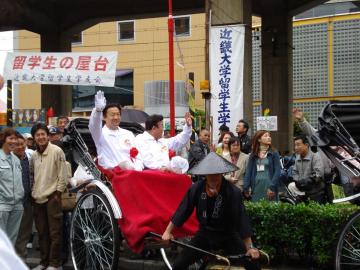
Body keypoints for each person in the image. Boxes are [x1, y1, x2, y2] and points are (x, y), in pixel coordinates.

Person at [162, 152, 261, 270]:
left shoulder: (233, 192)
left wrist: (250, 247)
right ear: (205, 174)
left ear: (221, 173)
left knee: (252, 261)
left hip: (228, 235)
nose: (213, 177)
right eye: (210, 174)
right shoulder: (197, 188)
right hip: (204, 234)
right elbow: (183, 210)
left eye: (217, 174)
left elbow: (242, 219)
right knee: (178, 265)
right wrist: (168, 232)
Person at [30, 123, 67, 270]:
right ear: (34, 138)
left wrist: (58, 193)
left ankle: (54, 263)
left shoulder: (57, 151)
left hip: (53, 197)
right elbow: (32, 175)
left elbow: (62, 174)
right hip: (37, 198)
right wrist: (33, 193)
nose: (40, 137)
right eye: (37, 135)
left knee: (55, 233)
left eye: (43, 134)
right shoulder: (33, 155)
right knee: (42, 233)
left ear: (47, 135)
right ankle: (43, 262)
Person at [89, 90, 142, 171]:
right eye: (112, 115)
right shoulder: (100, 134)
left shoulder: (128, 134)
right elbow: (94, 125)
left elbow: (138, 155)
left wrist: (137, 169)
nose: (116, 117)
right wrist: (98, 111)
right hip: (112, 173)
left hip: (132, 171)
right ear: (104, 117)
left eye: (118, 114)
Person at [0, 128, 24, 245]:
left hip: (17, 206)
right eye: (11, 138)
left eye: (15, 138)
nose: (14, 141)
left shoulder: (16, 159)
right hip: (2, 205)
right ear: (3, 140)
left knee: (11, 241)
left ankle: (7, 263)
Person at [244, 130, 281, 202]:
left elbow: (277, 171)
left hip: (269, 185)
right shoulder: (253, 154)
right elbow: (248, 171)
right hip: (256, 185)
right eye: (266, 136)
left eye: (269, 136)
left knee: (271, 208)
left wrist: (272, 187)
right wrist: (246, 187)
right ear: (259, 139)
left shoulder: (274, 153)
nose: (269, 137)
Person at [288, 135, 325, 203]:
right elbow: (295, 172)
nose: (296, 148)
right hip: (301, 187)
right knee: (291, 186)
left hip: (314, 189)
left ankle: (304, 197)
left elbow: (318, 173)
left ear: (306, 145)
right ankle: (302, 198)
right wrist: (299, 182)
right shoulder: (297, 158)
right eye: (295, 145)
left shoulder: (315, 156)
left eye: (298, 145)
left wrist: (307, 182)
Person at [14, 133, 33, 260]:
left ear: (26, 144)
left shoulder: (31, 158)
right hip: (13, 203)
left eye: (22, 144)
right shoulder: (9, 158)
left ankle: (21, 260)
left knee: (24, 234)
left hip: (28, 202)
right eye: (17, 144)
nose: (20, 147)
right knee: (12, 234)